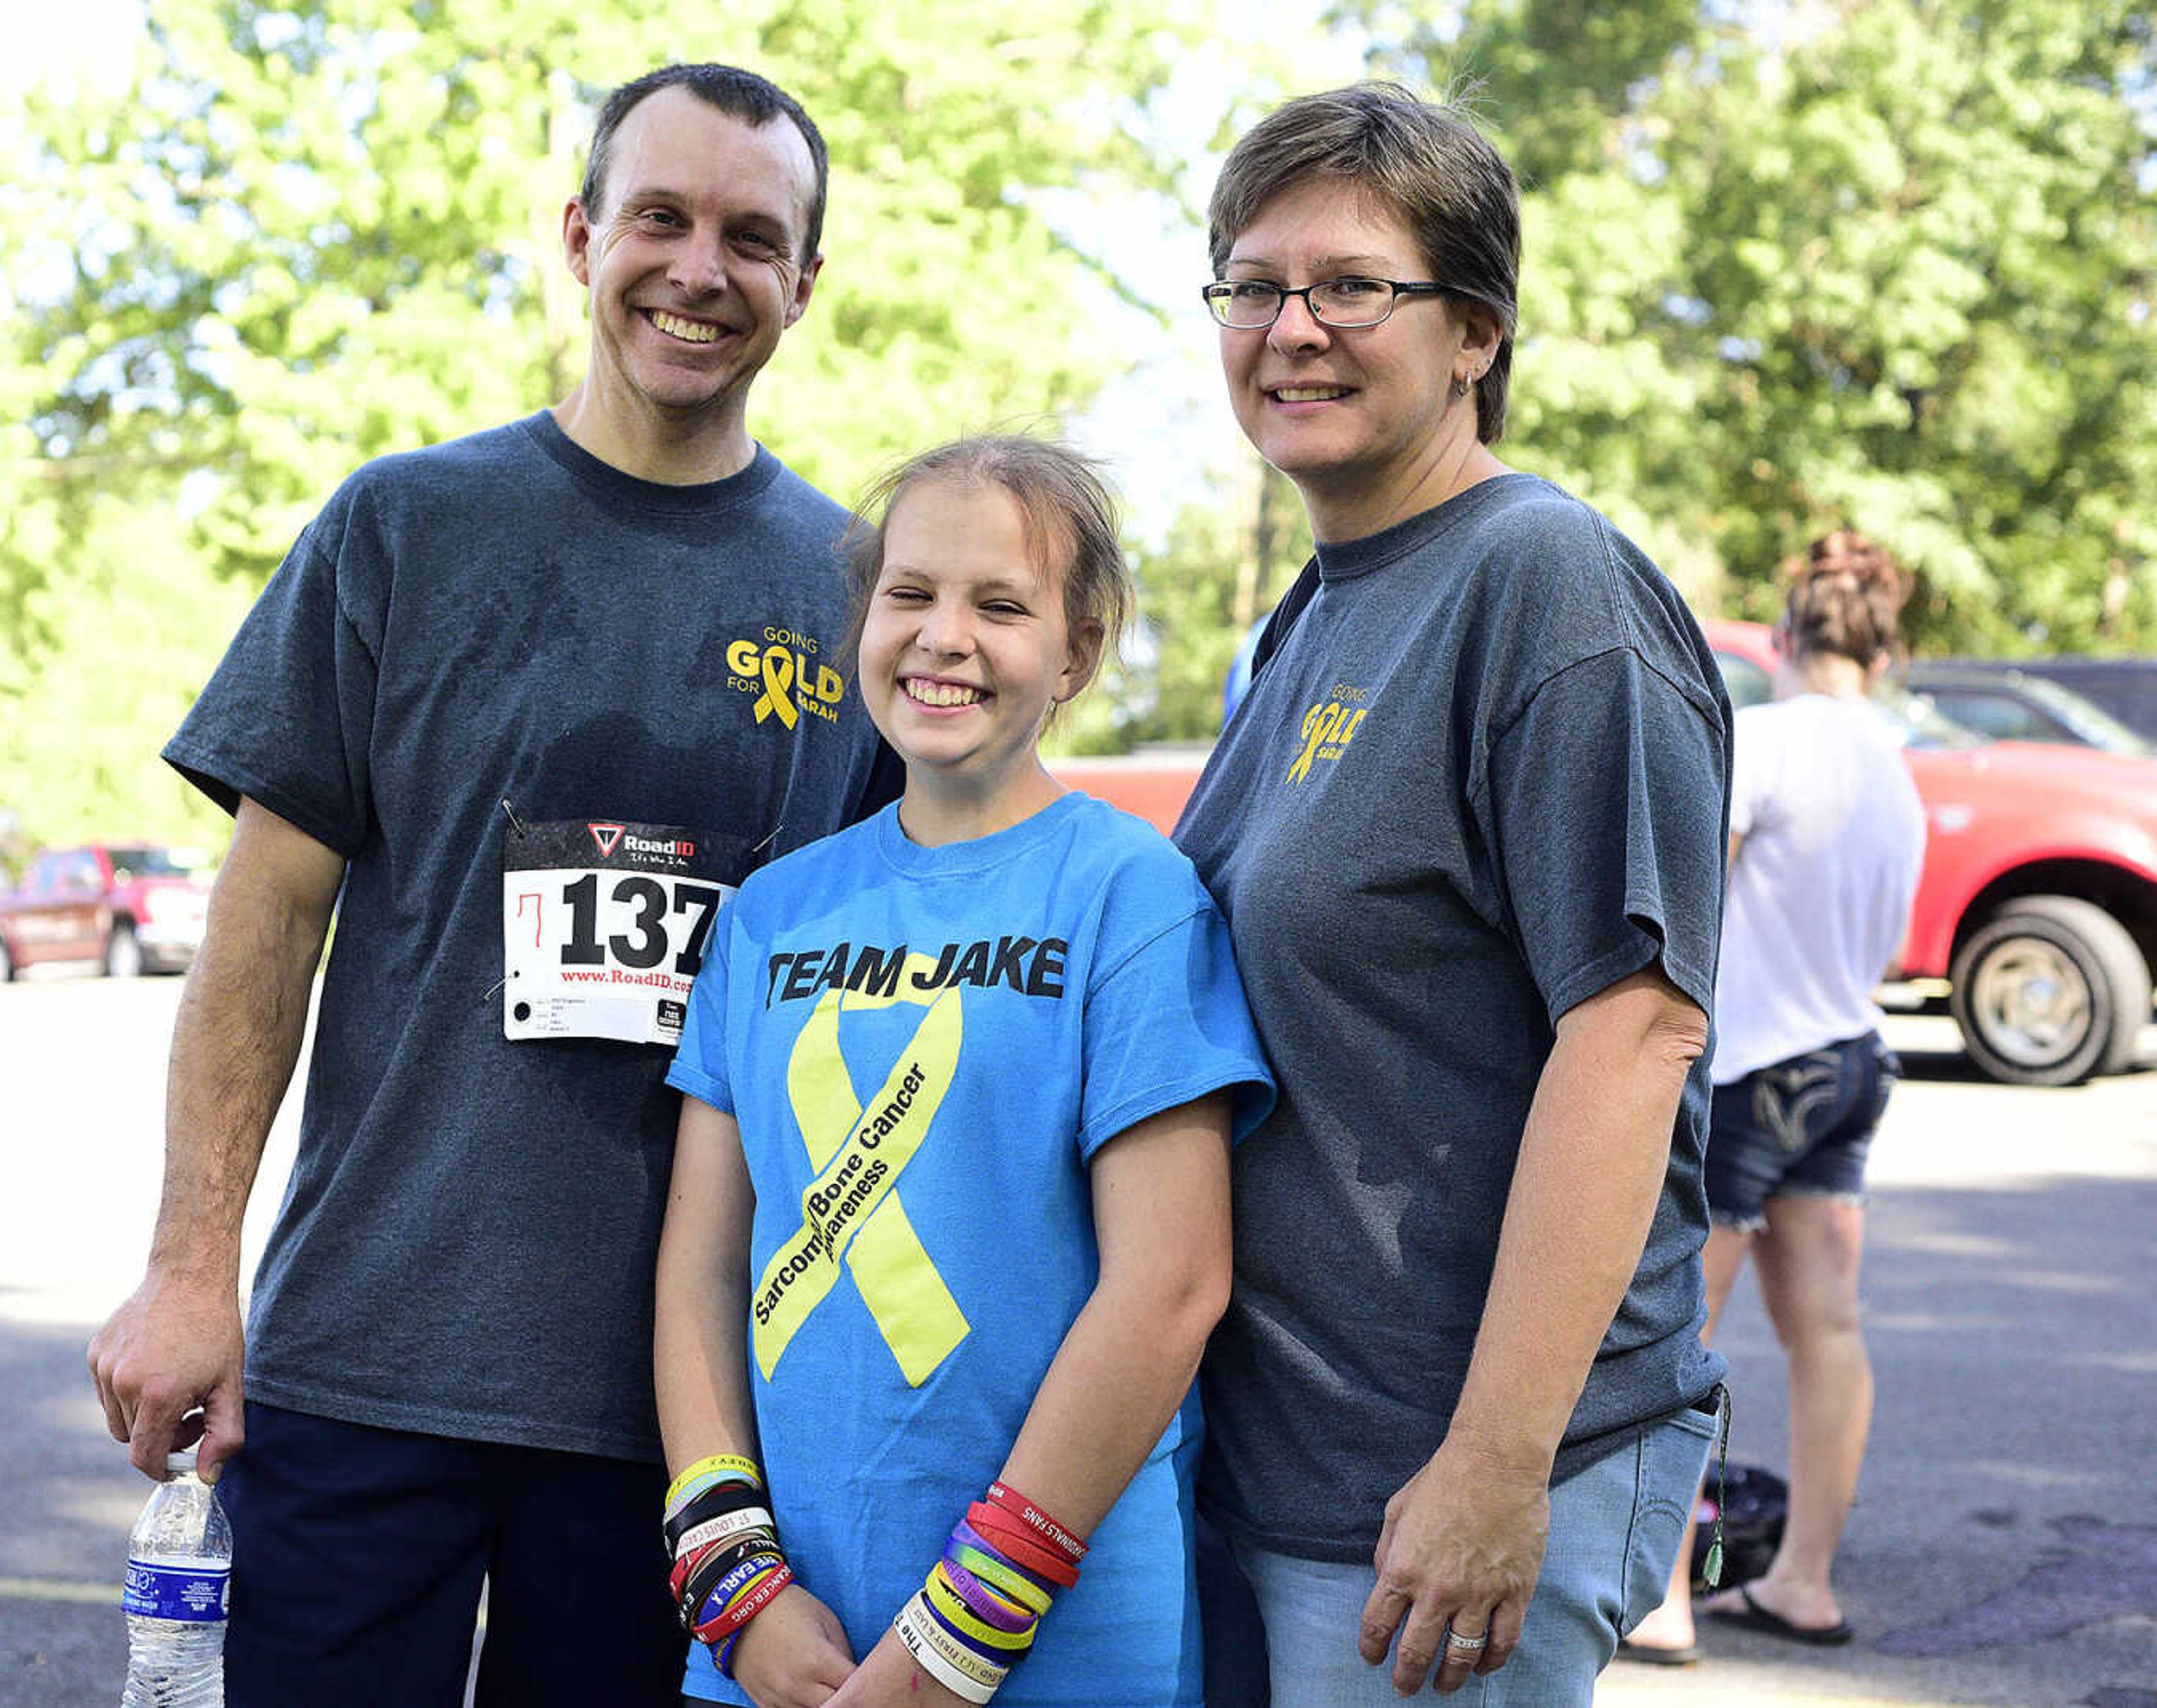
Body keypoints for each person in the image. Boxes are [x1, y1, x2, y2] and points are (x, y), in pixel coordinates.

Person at [86, 63, 896, 1705]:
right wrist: (188, 1267)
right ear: (579, 233)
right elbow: (267, 914)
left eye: (752, 237)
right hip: (363, 1373)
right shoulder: (403, 530)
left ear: (803, 284)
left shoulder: (862, 597)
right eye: (657, 217)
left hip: (677, 1418)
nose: (697, 268)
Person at [1168, 83, 1732, 1702]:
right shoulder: (1316, 609)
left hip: (1450, 1498)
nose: (1290, 329)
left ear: (1472, 330)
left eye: (1351, 286)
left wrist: (1496, 1461)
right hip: (1291, 1471)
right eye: (1251, 285)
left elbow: (1628, 1035)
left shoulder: (1540, 585)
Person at [653, 436, 1273, 1708]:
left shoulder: (1131, 895)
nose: (946, 636)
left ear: (1078, 654)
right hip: (780, 1653)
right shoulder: (771, 914)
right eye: (910, 593)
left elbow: (1171, 1282)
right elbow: (701, 1267)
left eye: (1001, 604)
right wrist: (735, 1587)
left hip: (1062, 1648)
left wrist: (956, 1640)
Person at [1624, 531, 1924, 1661]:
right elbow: (1891, 948)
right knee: (1827, 1330)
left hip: (1755, 1071)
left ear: (1787, 637)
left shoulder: (1766, 740)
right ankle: (1802, 1578)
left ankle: (1661, 1596)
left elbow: (1690, 897)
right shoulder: (1895, 768)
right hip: (1853, 1060)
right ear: (1884, 657)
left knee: (1673, 1328)